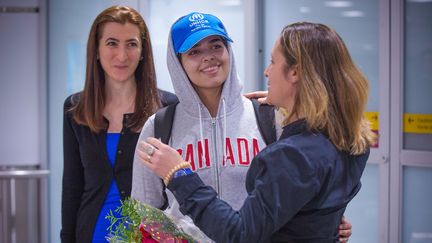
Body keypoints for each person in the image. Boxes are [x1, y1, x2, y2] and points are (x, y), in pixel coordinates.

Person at [132, 13, 353, 242]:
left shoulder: (270, 118)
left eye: (216, 46)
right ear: (178, 63)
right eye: (194, 51)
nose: (208, 57)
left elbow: (302, 190)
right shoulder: (159, 127)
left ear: (228, 50)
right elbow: (144, 212)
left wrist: (327, 220)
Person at [61, 6, 177, 243]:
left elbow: (177, 186)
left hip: (150, 238)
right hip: (91, 235)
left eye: (131, 44)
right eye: (112, 43)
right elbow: (72, 187)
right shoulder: (75, 108)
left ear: (143, 50)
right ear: (97, 49)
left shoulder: (168, 108)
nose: (122, 56)